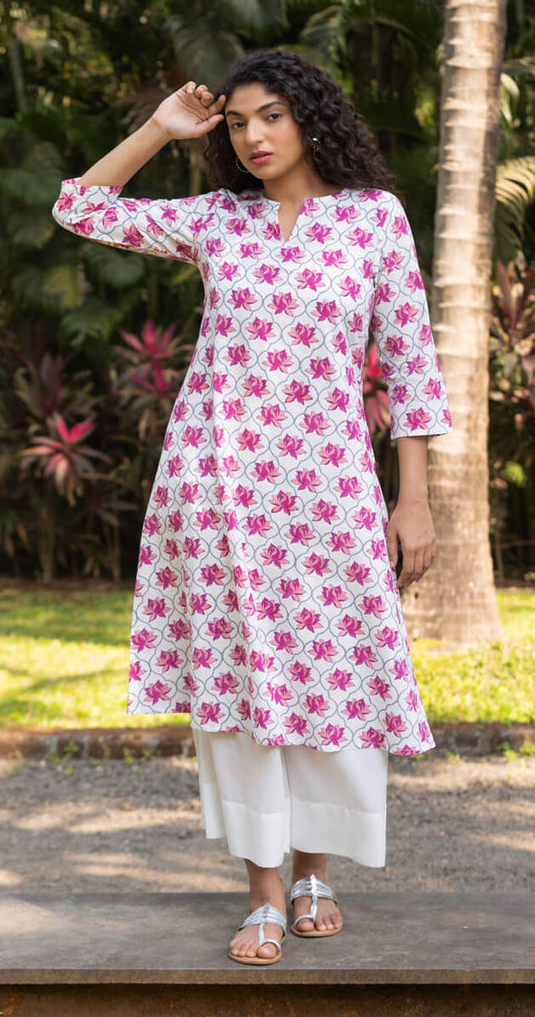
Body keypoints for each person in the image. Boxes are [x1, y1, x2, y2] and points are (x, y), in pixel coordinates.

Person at [52, 48, 451, 966]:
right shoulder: (217, 221)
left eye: (270, 115)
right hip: (218, 487)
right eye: (236, 123)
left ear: (310, 116)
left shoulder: (373, 219)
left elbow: (412, 368)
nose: (252, 136)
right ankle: (263, 890)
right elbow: (80, 207)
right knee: (239, 684)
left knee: (330, 671)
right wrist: (161, 128)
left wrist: (415, 500)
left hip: (330, 491)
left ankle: (314, 873)